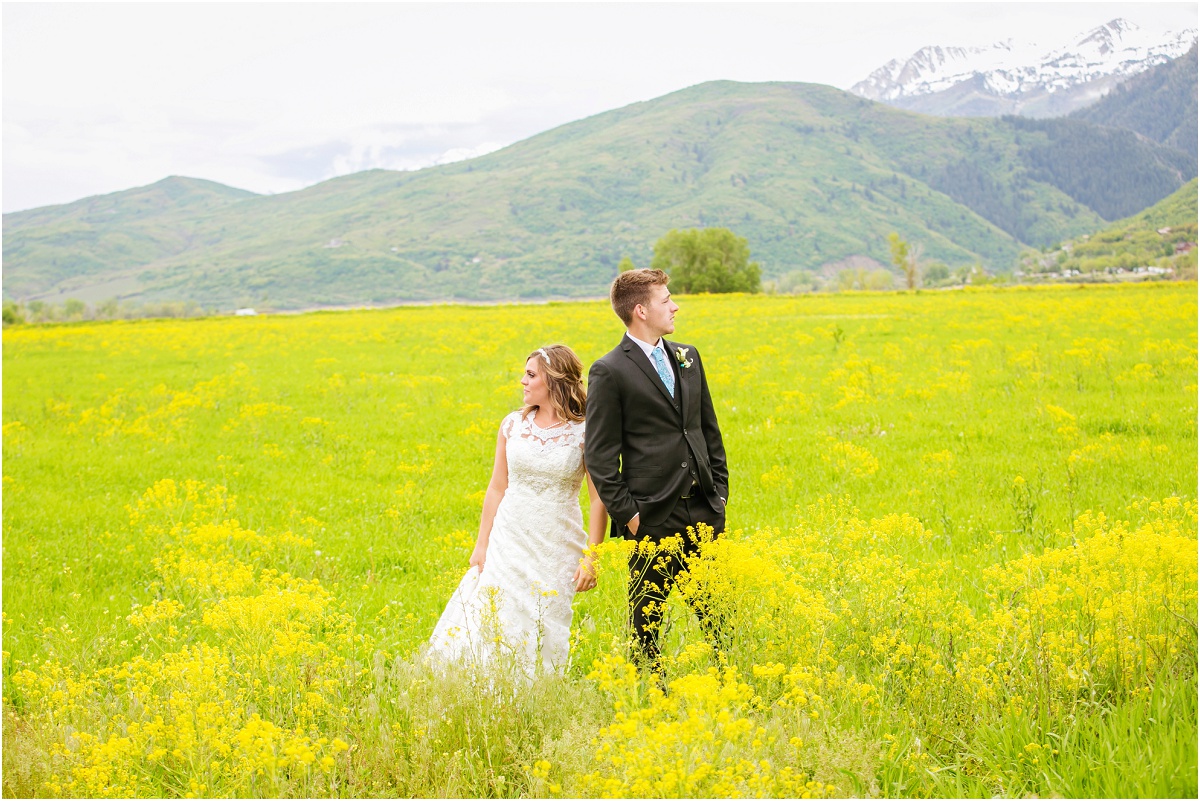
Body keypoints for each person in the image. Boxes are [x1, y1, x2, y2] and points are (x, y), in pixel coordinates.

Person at [427, 344, 608, 676]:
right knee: (492, 616)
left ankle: (537, 698)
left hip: (556, 543)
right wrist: (481, 546)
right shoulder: (512, 425)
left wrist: (591, 558)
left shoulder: (585, 432)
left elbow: (599, 499)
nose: (522, 381)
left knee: (543, 623)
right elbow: (497, 487)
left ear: (554, 380)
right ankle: (484, 695)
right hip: (507, 539)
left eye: (530, 374)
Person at [584, 268, 729, 674]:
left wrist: (719, 492)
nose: (676, 305)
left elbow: (707, 429)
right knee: (646, 628)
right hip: (650, 518)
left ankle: (728, 686)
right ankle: (652, 696)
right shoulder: (609, 370)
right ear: (641, 310)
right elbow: (599, 456)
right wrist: (629, 515)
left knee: (720, 619)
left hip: (703, 510)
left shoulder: (688, 356)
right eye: (667, 300)